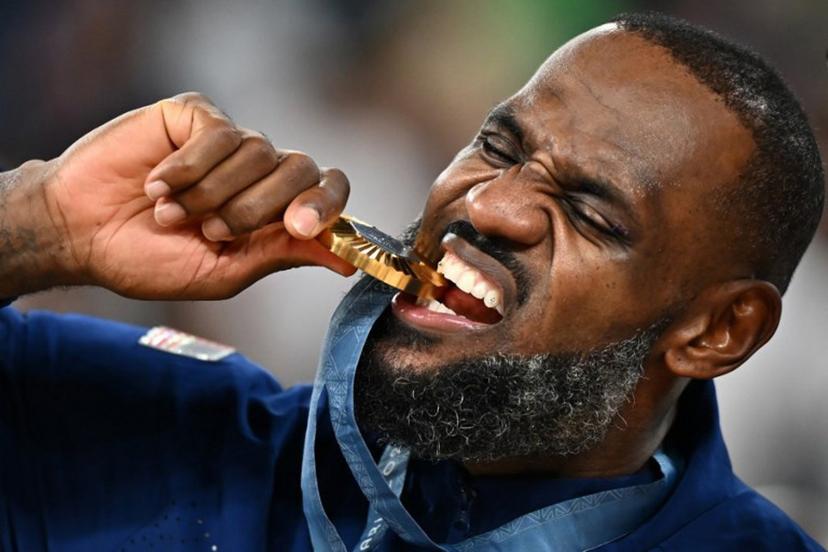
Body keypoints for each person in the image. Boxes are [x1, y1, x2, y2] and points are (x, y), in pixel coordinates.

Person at [0, 12, 824, 551]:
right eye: (499, 148)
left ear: (718, 332)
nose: (492, 206)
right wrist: (40, 224)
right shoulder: (177, 448)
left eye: (592, 213)